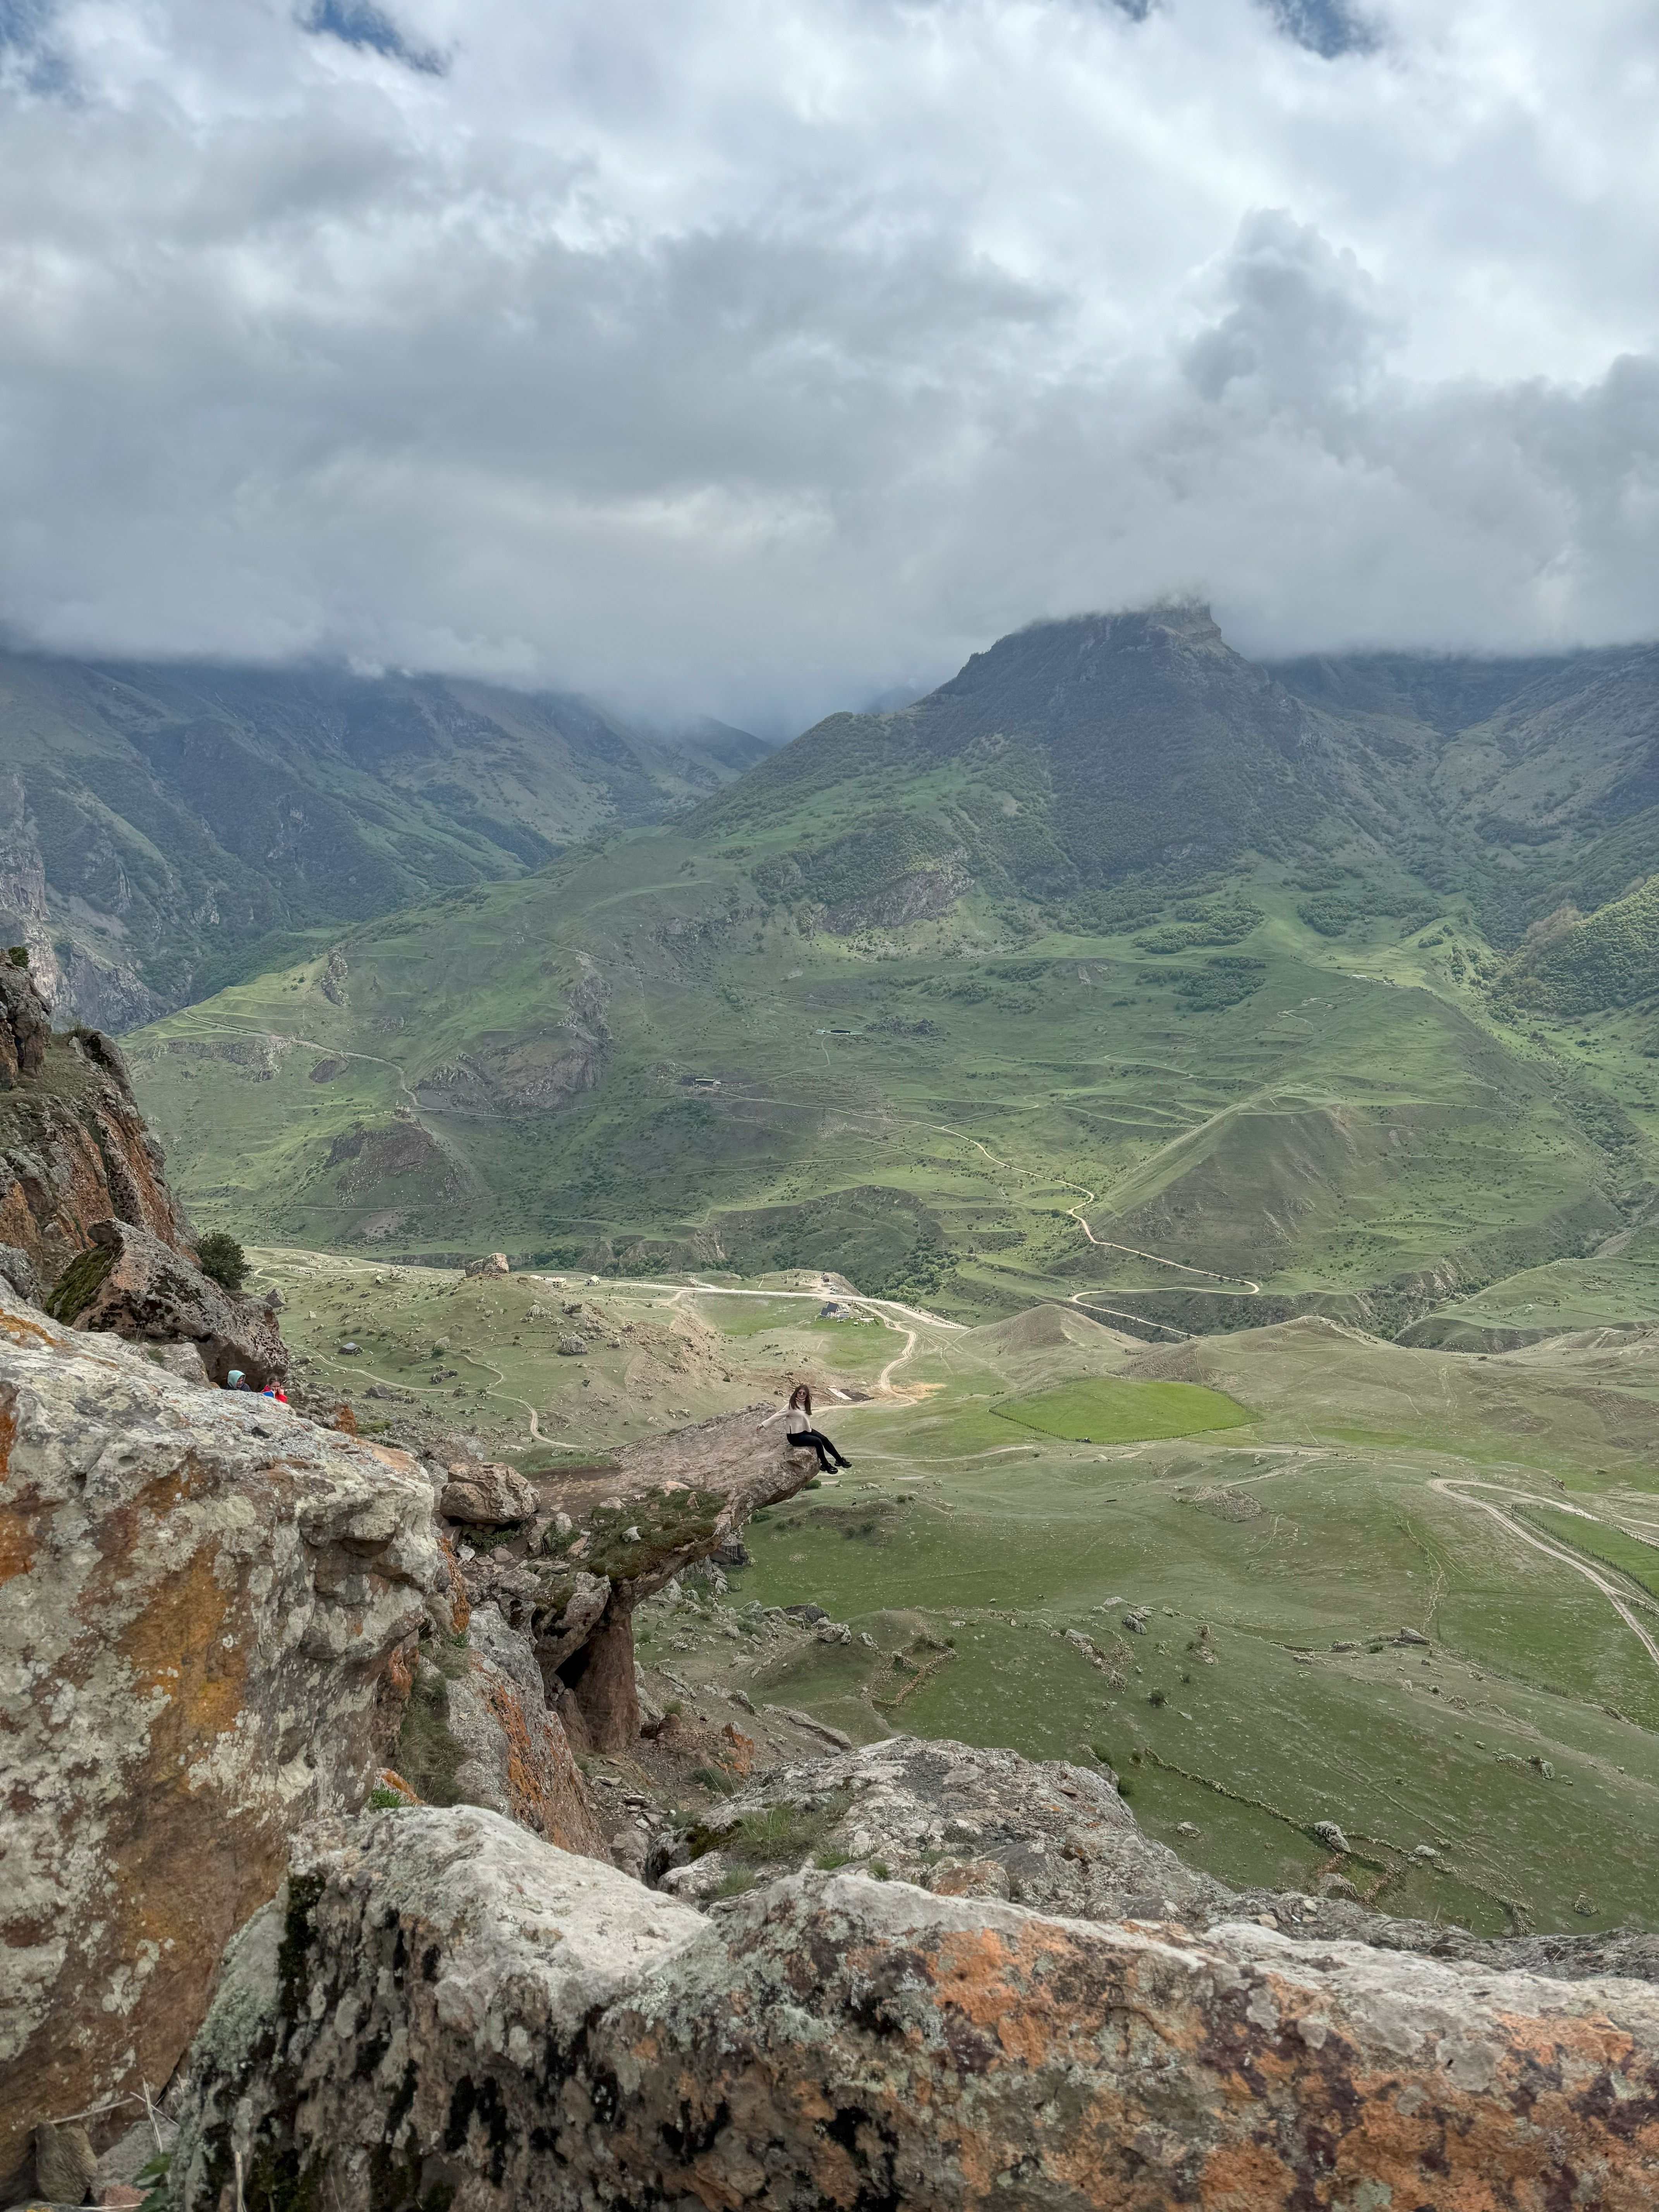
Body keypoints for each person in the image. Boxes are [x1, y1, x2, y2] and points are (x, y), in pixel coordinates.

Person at [762, 1384, 849, 1474]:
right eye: (800, 1393)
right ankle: (826, 1465)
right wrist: (764, 1425)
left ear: (807, 1395)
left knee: (824, 1439)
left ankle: (840, 1460)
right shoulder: (790, 1406)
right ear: (796, 1393)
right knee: (818, 1441)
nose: (802, 1395)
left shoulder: (806, 1404)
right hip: (795, 1437)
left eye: (804, 1393)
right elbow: (777, 1416)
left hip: (806, 1431)